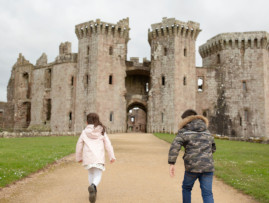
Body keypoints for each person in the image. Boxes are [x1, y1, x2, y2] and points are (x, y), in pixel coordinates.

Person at [168, 109, 216, 203]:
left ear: (186, 120)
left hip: (192, 167)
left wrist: (172, 163)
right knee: (207, 193)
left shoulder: (184, 131)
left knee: (186, 188)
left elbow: (175, 146)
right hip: (208, 166)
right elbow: (213, 148)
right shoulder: (206, 131)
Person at [76, 113, 116, 203]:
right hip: (98, 157)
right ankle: (93, 186)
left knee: (90, 173)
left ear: (87, 122)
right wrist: (111, 156)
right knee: (98, 174)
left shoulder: (84, 132)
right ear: (97, 121)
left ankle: (93, 190)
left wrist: (79, 157)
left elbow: (79, 145)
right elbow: (108, 144)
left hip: (88, 158)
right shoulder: (101, 131)